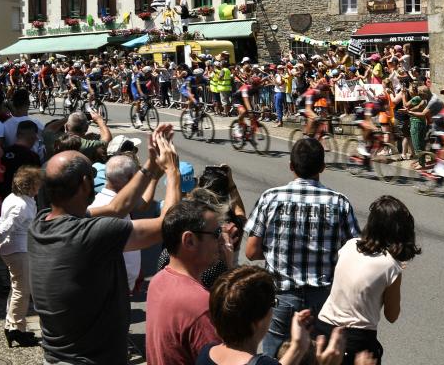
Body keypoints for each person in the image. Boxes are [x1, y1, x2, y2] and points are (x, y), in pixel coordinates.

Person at [29, 125, 182, 364]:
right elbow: (167, 226)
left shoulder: (41, 223)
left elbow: (116, 208)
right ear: (85, 184)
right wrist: (172, 171)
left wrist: (151, 166)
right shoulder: (91, 235)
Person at [244, 137, 360, 357]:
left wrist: (277, 251)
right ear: (323, 168)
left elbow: (251, 252)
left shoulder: (271, 198)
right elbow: (353, 254)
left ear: (291, 166)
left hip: (281, 297)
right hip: (323, 300)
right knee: (319, 357)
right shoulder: (339, 203)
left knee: (274, 355)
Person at [317, 195, 419, 364]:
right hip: (357, 340)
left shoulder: (349, 246)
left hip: (323, 329)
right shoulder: (391, 267)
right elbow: (392, 315)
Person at [197, 265, 349, 365]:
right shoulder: (263, 363)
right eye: (273, 303)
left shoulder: (206, 353)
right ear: (256, 322)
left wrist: (298, 345)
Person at [146, 199, 227, 365]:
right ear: (189, 241)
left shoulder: (158, 280)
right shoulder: (201, 304)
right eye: (216, 233)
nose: (221, 240)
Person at [88, 151, 158, 292]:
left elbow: (142, 204)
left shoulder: (103, 200)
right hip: (113, 286)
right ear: (131, 178)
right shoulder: (105, 208)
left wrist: (155, 177)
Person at [0, 166, 42, 347]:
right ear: (30, 186)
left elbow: (2, 222)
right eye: (37, 184)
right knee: (22, 290)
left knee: (16, 287)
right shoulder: (21, 205)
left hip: (13, 249)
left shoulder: (14, 199)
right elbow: (7, 224)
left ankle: (12, 325)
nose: (40, 187)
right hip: (18, 250)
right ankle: (17, 330)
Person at [0, 121, 41, 199]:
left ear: (17, 134)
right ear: (34, 137)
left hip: (2, 199)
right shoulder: (32, 157)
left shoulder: (3, 152)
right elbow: (35, 182)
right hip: (21, 200)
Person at [2, 89, 44, 162]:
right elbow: (46, 137)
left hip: (11, 160)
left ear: (14, 104)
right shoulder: (36, 123)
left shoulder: (5, 124)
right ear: (28, 104)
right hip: (31, 161)